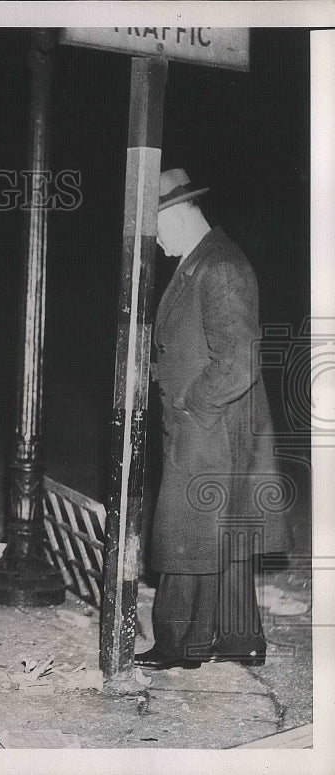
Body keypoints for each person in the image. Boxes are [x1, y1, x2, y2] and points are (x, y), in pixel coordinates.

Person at [134, 169, 290, 670]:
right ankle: (239, 637)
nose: (155, 240)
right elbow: (191, 347)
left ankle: (179, 643)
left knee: (187, 532)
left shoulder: (216, 267)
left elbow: (241, 357)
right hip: (220, 423)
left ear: (178, 214)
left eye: (156, 228)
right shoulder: (203, 261)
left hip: (211, 425)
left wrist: (193, 405)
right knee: (224, 531)